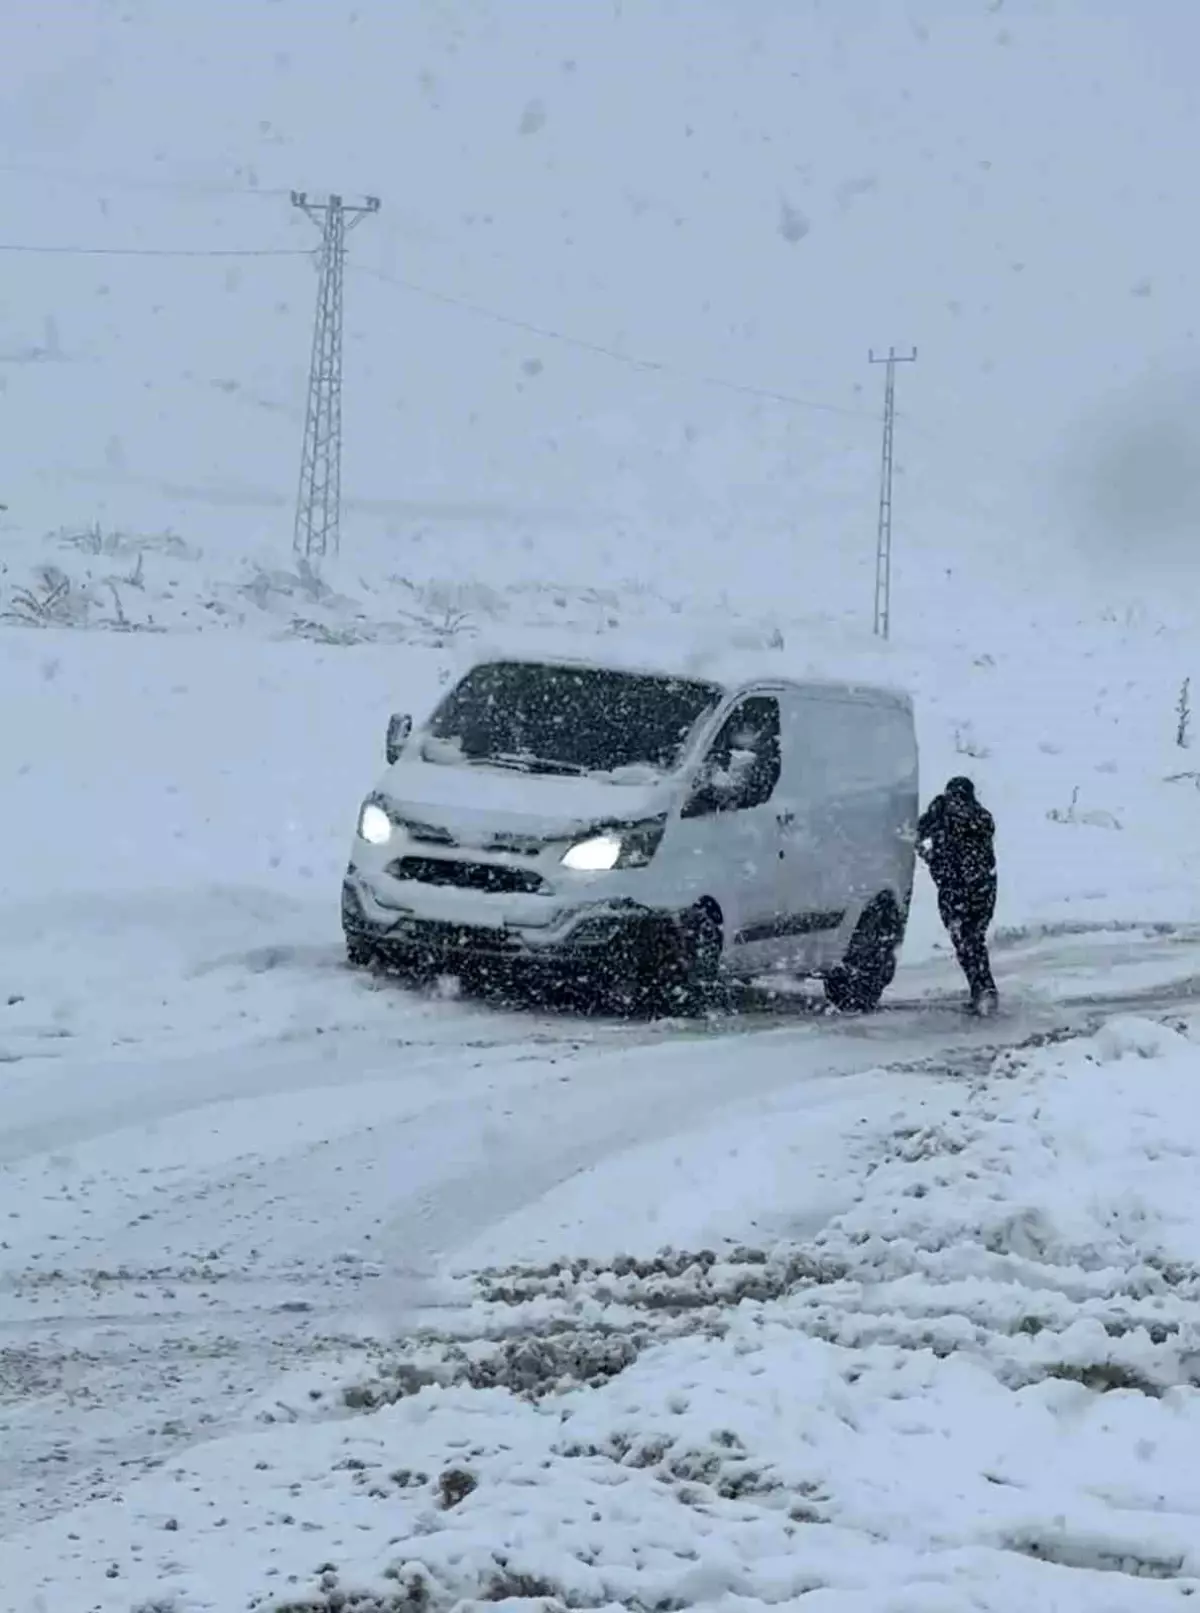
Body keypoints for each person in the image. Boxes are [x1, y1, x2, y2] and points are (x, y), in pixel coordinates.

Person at [917, 775, 998, 1015]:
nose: (956, 806)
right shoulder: (950, 815)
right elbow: (920, 832)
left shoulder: (970, 823)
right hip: (967, 890)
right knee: (968, 942)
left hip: (969, 890)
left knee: (968, 940)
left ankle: (984, 991)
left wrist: (928, 855)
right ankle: (982, 990)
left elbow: (958, 867)